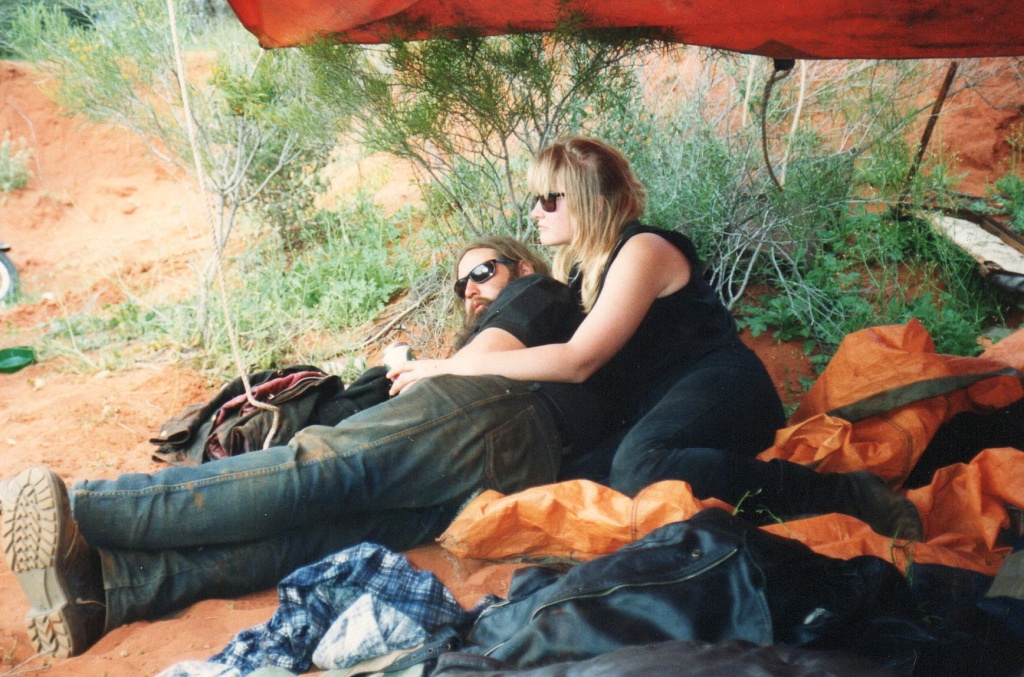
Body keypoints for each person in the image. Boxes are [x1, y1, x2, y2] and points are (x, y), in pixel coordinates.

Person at [0, 236, 623, 658]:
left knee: (312, 471)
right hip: (516, 470)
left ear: (523, 266)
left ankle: (84, 510)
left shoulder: (538, 295)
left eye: (485, 271)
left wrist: (427, 367)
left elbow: (473, 367)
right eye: (462, 286)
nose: (473, 290)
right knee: (318, 536)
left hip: (493, 414)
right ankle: (109, 594)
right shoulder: (554, 329)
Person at [390, 137, 923, 536]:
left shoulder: (642, 250)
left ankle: (842, 494)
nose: (535, 212)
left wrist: (444, 366)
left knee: (638, 464)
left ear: (590, 199)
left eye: (548, 199)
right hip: (660, 405)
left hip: (722, 387)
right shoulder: (583, 271)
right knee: (572, 480)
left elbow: (578, 360)